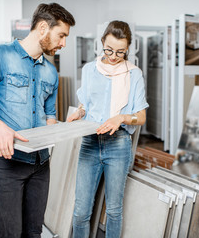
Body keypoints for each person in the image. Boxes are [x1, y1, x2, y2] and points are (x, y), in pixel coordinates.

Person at [0, 3, 75, 237]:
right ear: (43, 27)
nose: (63, 43)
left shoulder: (51, 73)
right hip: (8, 163)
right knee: (10, 234)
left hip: (41, 164)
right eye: (61, 35)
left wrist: (66, 127)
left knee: (34, 232)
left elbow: (50, 117)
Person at [67, 20, 149, 238]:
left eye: (120, 52)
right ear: (101, 42)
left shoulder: (134, 74)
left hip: (118, 144)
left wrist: (120, 118)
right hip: (90, 143)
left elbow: (141, 116)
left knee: (113, 211)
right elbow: (88, 104)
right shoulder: (89, 70)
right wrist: (80, 112)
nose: (113, 56)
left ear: (128, 49)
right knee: (81, 211)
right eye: (109, 49)